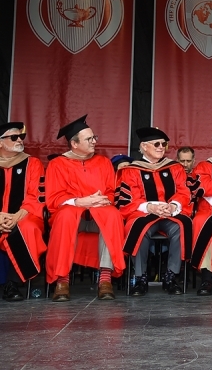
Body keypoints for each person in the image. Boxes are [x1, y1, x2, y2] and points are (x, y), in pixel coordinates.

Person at [45, 115, 126, 302]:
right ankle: (62, 280)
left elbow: (111, 191)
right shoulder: (57, 164)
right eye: (89, 139)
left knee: (112, 215)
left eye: (94, 137)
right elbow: (54, 198)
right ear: (74, 144)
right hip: (73, 216)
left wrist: (102, 200)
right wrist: (80, 202)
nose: (94, 141)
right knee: (65, 216)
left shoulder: (103, 162)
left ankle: (105, 279)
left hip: (98, 215)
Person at [116, 127, 192, 296]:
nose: (161, 147)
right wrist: (150, 207)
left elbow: (184, 191)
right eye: (156, 144)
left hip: (169, 214)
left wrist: (173, 206)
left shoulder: (175, 168)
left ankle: (171, 276)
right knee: (139, 227)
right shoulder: (131, 170)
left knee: (182, 226)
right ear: (144, 146)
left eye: (163, 144)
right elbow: (129, 199)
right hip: (143, 213)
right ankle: (140, 277)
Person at [0, 122, 46, 301]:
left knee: (28, 229)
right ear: (0, 142)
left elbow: (36, 196)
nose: (20, 140)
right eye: (14, 137)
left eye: (21, 136)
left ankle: (12, 284)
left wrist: (15, 217)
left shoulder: (32, 163)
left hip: (25, 215)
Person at [190, 131, 212, 296]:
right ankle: (207, 277)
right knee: (201, 222)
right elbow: (204, 187)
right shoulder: (205, 166)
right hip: (208, 210)